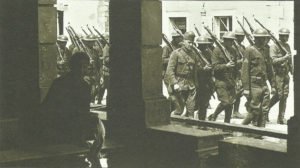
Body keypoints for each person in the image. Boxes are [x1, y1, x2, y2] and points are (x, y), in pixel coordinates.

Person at [40, 52, 104, 167]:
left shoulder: (85, 86)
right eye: (78, 66)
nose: (81, 70)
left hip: (74, 123)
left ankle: (92, 152)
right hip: (57, 122)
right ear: (72, 67)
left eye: (84, 67)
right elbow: (48, 108)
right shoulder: (59, 83)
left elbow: (83, 110)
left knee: (98, 124)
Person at [241, 28, 275, 128]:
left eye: (263, 39)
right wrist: (246, 88)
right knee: (255, 109)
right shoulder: (249, 50)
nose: (261, 41)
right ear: (255, 39)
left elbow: (269, 69)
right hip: (254, 84)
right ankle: (241, 127)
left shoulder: (266, 50)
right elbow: (245, 70)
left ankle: (261, 130)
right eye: (259, 38)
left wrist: (273, 85)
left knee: (265, 109)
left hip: (263, 84)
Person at [165, 31, 198, 118]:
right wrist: (174, 83)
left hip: (190, 85)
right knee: (178, 110)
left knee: (191, 110)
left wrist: (196, 83)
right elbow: (170, 70)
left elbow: (195, 71)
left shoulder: (193, 55)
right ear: (183, 42)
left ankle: (190, 128)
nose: (191, 45)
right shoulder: (176, 53)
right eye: (189, 43)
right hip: (178, 85)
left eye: (192, 43)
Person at [208, 32, 239, 123]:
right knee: (225, 102)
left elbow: (236, 66)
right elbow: (214, 67)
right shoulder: (217, 51)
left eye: (233, 41)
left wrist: (237, 79)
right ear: (224, 41)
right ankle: (214, 116)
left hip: (231, 80)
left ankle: (227, 123)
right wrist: (226, 66)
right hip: (220, 80)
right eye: (230, 41)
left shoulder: (233, 50)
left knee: (230, 104)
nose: (232, 42)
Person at [268, 28, 293, 124]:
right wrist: (284, 58)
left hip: (285, 74)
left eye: (287, 35)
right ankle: (265, 111)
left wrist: (292, 70)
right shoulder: (274, 47)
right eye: (284, 35)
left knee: (285, 96)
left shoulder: (287, 46)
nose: (286, 37)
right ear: (280, 36)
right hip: (277, 74)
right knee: (278, 95)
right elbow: (273, 61)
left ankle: (281, 117)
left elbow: (290, 60)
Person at [195, 36, 214, 120]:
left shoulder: (208, 53)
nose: (204, 46)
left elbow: (213, 63)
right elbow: (192, 68)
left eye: (206, 45)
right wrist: (202, 69)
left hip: (207, 81)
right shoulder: (194, 53)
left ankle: (202, 120)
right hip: (197, 81)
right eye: (202, 45)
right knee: (195, 103)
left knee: (205, 102)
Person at [232, 28, 246, 119]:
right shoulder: (233, 48)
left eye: (243, 36)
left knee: (239, 93)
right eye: (241, 36)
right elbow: (232, 61)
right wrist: (241, 61)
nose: (242, 38)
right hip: (234, 73)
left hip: (241, 72)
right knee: (235, 93)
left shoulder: (242, 47)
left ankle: (236, 111)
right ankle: (232, 111)